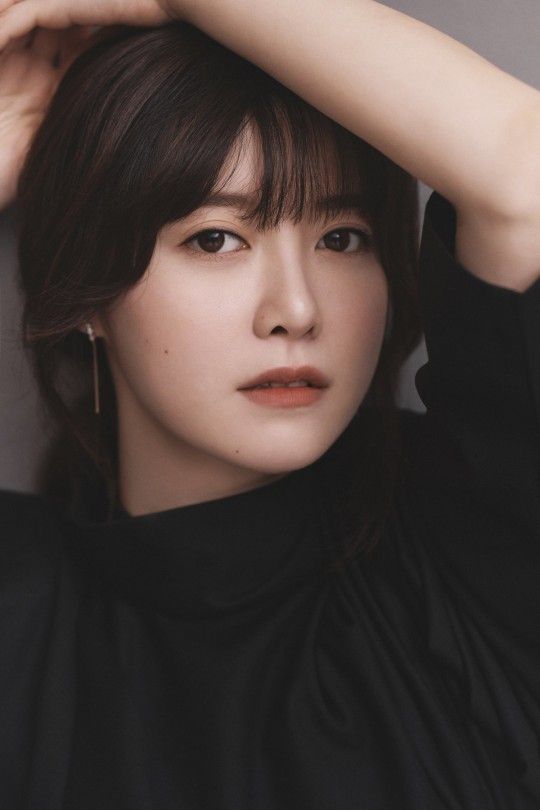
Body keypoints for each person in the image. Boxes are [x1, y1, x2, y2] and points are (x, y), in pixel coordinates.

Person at [0, 1, 539, 808]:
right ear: (87, 289)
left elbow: (526, 174)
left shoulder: (469, 546)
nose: (296, 309)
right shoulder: (24, 609)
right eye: (217, 238)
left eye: (341, 238)